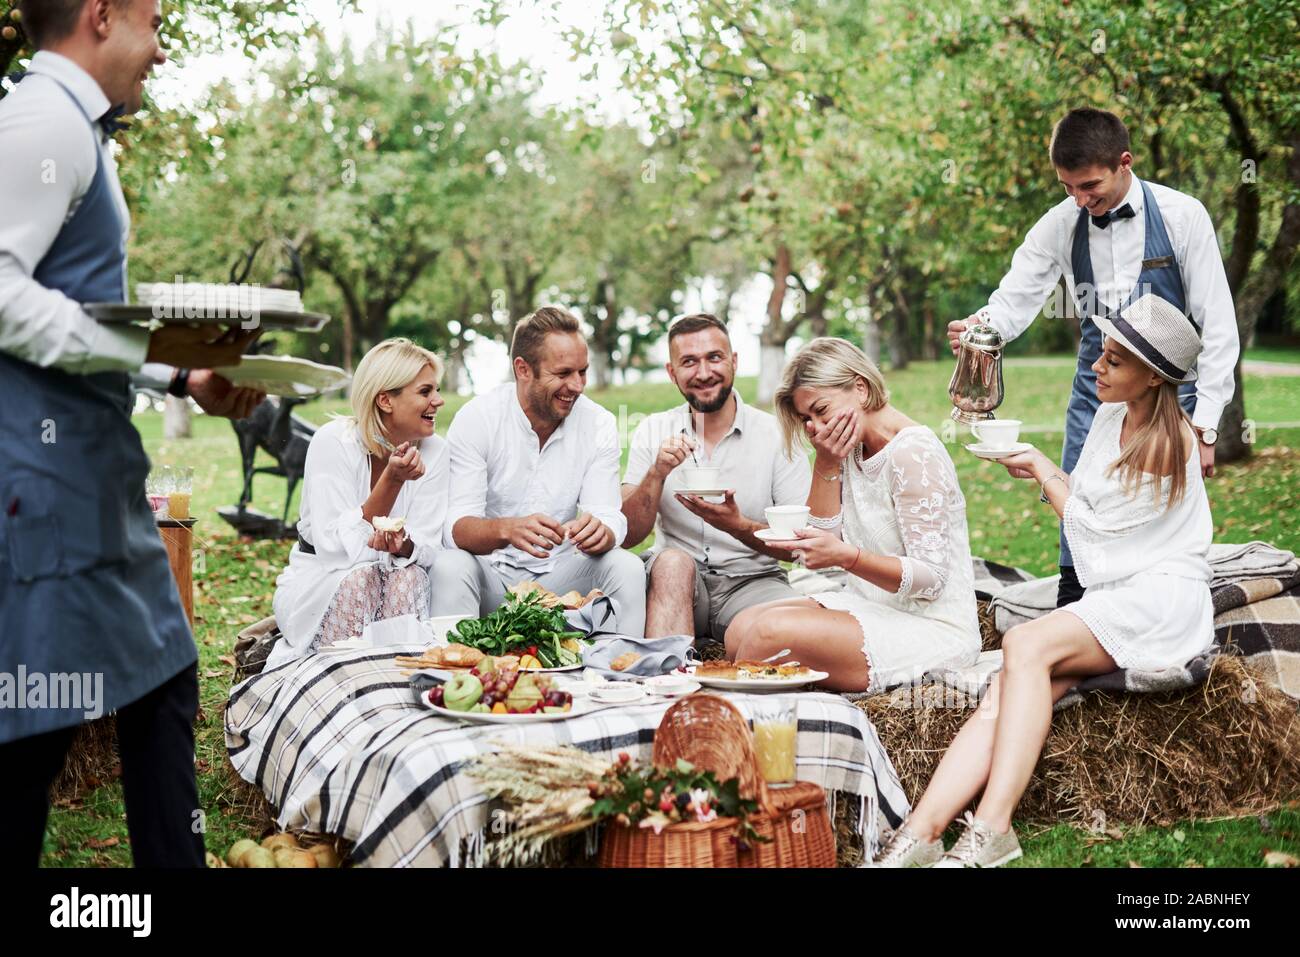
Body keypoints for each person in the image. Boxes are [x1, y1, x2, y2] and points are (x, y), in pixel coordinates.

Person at [0, 0, 264, 868]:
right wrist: (143, 344)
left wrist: (182, 370)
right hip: (42, 486)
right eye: (154, 24)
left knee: (161, 679)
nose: (159, 49)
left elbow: (69, 302)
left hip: (93, 481)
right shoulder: (44, 119)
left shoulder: (79, 128)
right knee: (34, 724)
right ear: (101, 15)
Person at [879, 293, 1214, 868]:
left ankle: (992, 828)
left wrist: (1038, 468)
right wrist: (1038, 464)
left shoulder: (1168, 444)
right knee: (1010, 685)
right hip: (1116, 592)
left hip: (1158, 598)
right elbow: (1085, 503)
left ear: (1154, 377)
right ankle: (920, 832)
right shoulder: (1112, 416)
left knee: (1023, 643)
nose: (1096, 367)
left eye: (1113, 361)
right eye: (1101, 353)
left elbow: (1096, 547)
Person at [947, 107, 1238, 609]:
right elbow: (1015, 298)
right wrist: (982, 329)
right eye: (1068, 188)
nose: (1080, 200)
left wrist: (1206, 423)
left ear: (1125, 163)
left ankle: (1155, 609)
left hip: (1173, 397)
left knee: (1160, 512)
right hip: (1094, 388)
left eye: (1089, 187)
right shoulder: (1061, 224)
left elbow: (1218, 325)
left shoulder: (1182, 216)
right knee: (1078, 500)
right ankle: (1074, 599)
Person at [724, 338, 981, 693]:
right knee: (740, 628)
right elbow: (820, 535)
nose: (814, 428)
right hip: (869, 604)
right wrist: (826, 463)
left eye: (820, 410)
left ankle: (749, 730)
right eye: (806, 420)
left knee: (767, 637)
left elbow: (931, 580)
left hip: (931, 626)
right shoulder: (847, 447)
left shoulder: (913, 453)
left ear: (860, 388)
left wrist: (848, 557)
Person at [433, 306, 646, 635]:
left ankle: (617, 676)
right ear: (523, 369)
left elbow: (609, 515)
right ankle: (454, 676)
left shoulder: (599, 423)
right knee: (449, 565)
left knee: (628, 567)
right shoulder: (478, 418)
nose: (577, 385)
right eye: (563, 374)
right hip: (493, 576)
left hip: (562, 578)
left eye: (582, 372)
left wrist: (603, 532)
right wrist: (506, 530)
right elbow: (455, 529)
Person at [268, 339, 460, 667]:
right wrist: (392, 481)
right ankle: (339, 679)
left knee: (408, 577)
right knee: (363, 578)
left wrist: (403, 545)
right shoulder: (333, 442)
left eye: (437, 390)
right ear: (385, 399)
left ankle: (393, 682)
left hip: (392, 578)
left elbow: (428, 545)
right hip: (320, 579)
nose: (438, 401)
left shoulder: (435, 450)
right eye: (425, 391)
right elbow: (335, 551)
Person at [621, 313, 812, 641]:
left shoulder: (777, 435)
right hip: (678, 581)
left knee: (804, 629)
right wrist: (657, 473)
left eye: (714, 357)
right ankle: (670, 679)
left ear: (734, 362)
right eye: (689, 362)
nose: (704, 373)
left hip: (753, 583)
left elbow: (802, 548)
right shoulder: (652, 430)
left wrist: (736, 525)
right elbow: (627, 535)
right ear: (672, 372)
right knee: (672, 563)